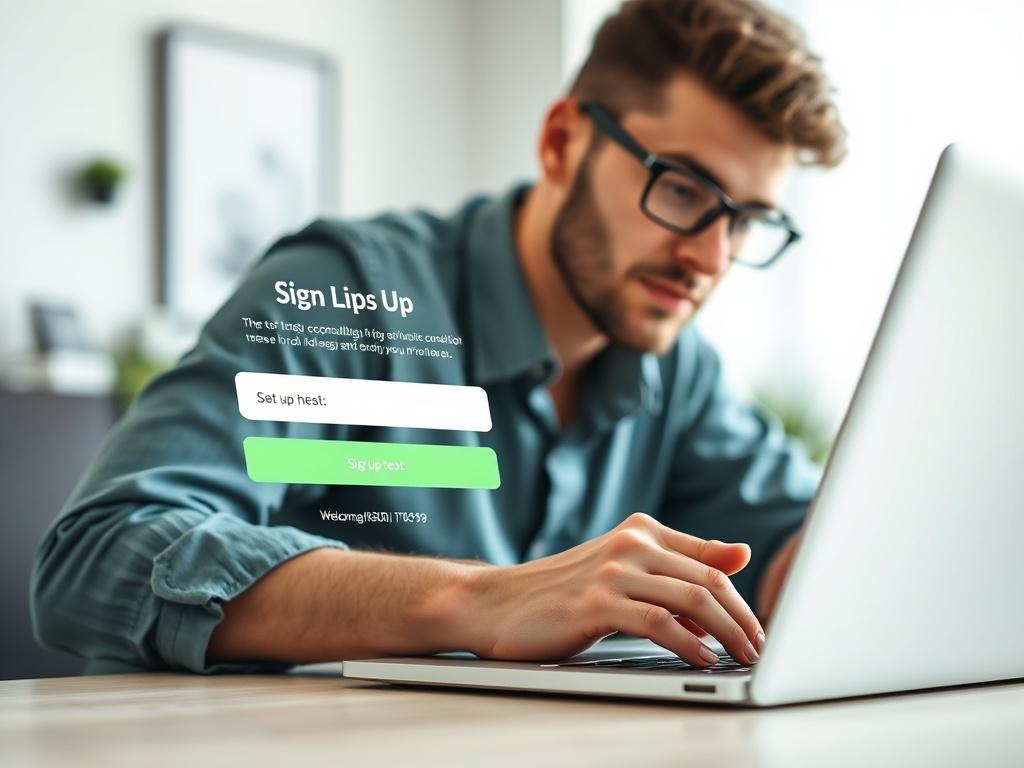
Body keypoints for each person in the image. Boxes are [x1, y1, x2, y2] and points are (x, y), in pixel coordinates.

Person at [31, 0, 845, 674]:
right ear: (563, 142)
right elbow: (100, 553)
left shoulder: (677, 372)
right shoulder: (352, 295)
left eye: (749, 220)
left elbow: (790, 555)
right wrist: (480, 598)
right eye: (683, 188)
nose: (711, 256)